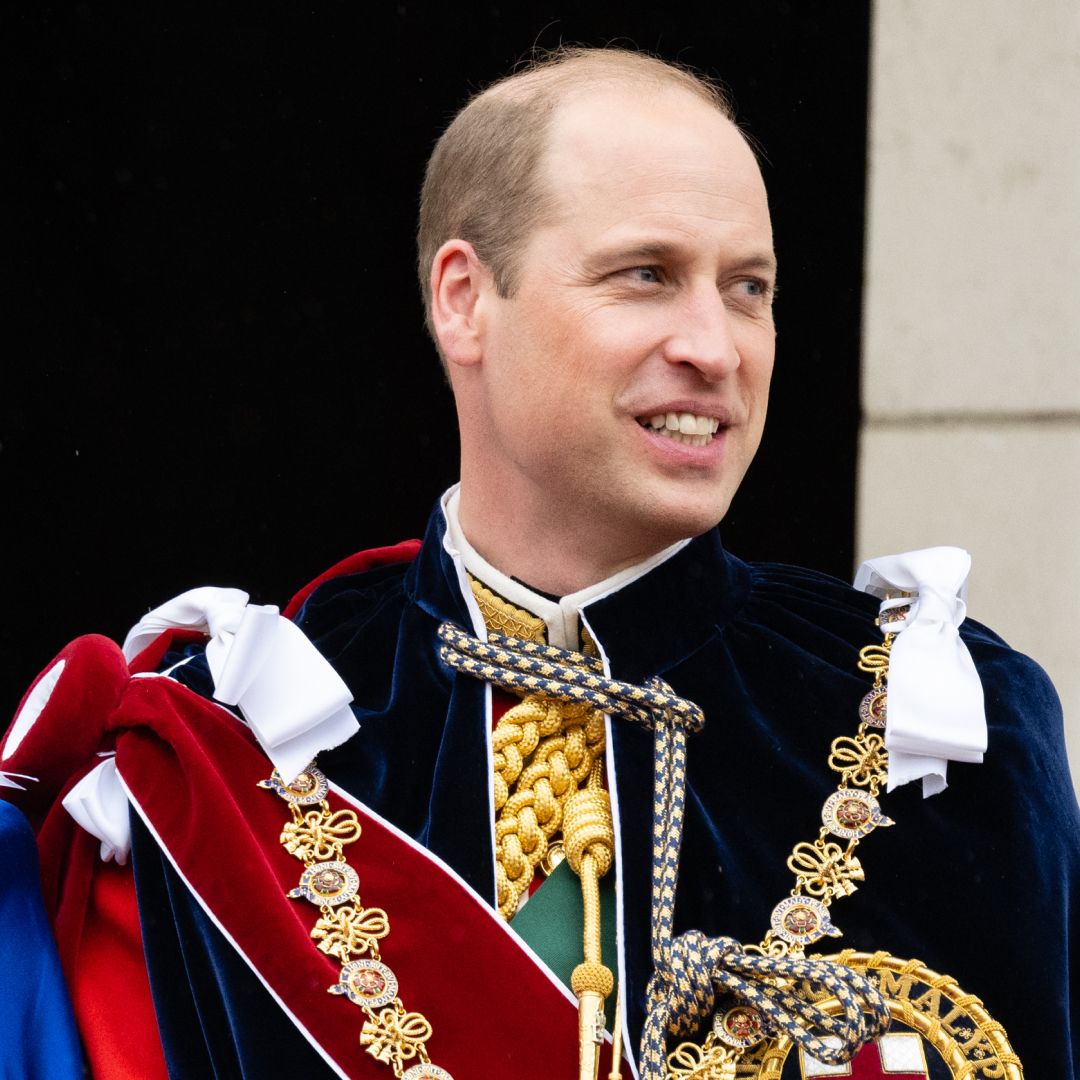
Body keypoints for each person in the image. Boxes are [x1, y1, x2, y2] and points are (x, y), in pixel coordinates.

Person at [3, 46, 1077, 1080]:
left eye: (749, 287)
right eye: (647, 275)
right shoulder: (210, 753)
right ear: (465, 299)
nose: (717, 345)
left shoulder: (944, 736)